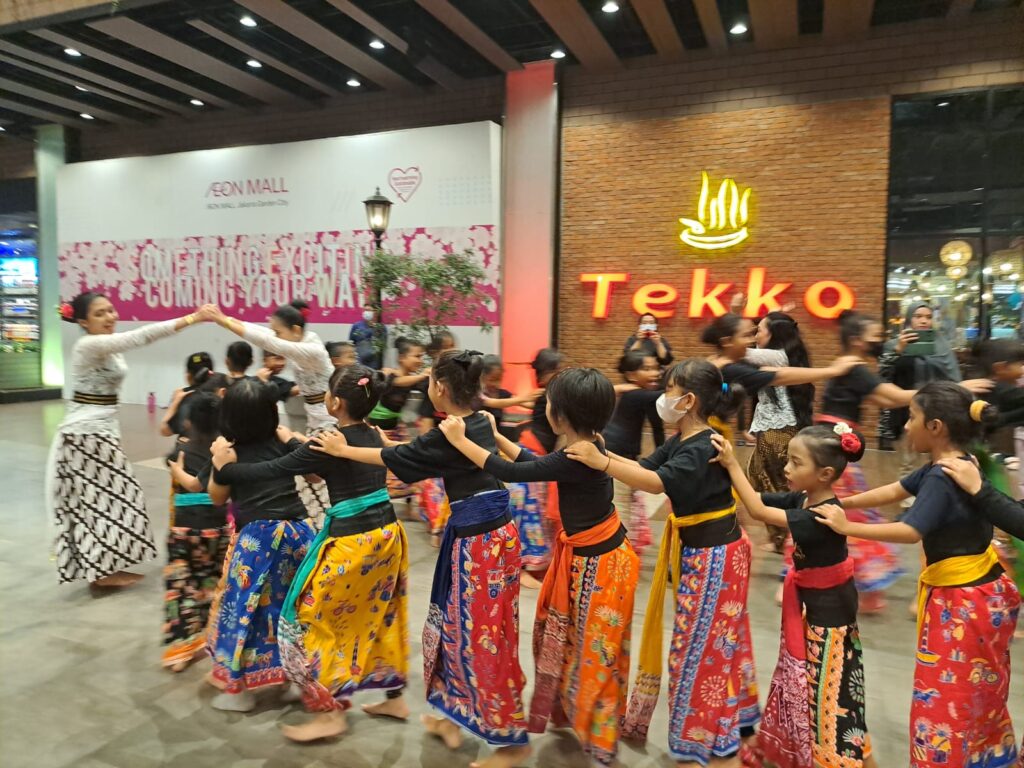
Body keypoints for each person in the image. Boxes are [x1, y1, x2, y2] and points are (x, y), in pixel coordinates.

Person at [311, 350, 529, 768]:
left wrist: (343, 449)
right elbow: (415, 452)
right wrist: (384, 443)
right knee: (455, 630)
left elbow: (396, 459)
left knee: (483, 640)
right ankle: (452, 716)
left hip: (480, 544)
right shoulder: (477, 421)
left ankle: (511, 743)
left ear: (440, 388)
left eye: (429, 380)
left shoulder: (450, 431)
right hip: (488, 536)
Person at [440, 368, 639, 767]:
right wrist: (496, 437)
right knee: (579, 645)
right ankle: (579, 719)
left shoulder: (576, 455)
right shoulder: (590, 444)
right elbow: (536, 464)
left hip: (600, 565)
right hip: (598, 555)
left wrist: (462, 442)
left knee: (594, 651)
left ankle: (601, 738)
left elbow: (515, 473)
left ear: (558, 415)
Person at [815, 381, 1020, 768]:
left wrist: (846, 526)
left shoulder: (944, 475)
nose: (906, 425)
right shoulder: (957, 463)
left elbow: (911, 531)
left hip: (964, 604)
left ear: (936, 427)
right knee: (978, 693)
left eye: (912, 417)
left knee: (947, 701)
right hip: (980, 593)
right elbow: (894, 490)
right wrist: (838, 502)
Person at [567, 359, 759, 768]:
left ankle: (708, 744)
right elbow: (644, 468)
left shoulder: (702, 446)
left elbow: (656, 484)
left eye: (669, 389)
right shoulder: (684, 439)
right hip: (705, 553)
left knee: (698, 652)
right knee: (712, 645)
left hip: (715, 557)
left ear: (688, 400)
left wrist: (601, 462)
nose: (662, 396)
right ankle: (726, 732)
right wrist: (601, 453)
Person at [212, 366, 409, 740]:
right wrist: (291, 439)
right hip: (388, 535)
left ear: (334, 402)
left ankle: (329, 711)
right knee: (381, 613)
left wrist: (225, 469)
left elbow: (273, 469)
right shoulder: (374, 433)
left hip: (352, 542)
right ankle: (394, 697)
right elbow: (314, 471)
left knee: (309, 621)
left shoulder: (329, 442)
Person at [714, 426, 878, 768]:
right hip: (816, 609)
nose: (786, 468)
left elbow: (759, 512)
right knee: (815, 686)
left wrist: (731, 464)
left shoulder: (821, 515)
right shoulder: (804, 498)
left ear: (825, 474)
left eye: (796, 462)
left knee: (830, 690)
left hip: (830, 619)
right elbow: (758, 498)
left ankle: (835, 755)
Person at [47, 292, 213, 587]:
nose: (109, 317)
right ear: (83, 321)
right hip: (86, 434)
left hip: (101, 431)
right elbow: (141, 336)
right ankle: (102, 573)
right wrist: (192, 318)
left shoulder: (107, 344)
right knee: (105, 500)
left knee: (115, 498)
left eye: (110, 310)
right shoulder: (89, 345)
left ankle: (104, 568)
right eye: (99, 313)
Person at [205, 379, 316, 712]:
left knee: (245, 611)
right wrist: (290, 437)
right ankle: (297, 681)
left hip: (258, 542)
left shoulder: (229, 453)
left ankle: (239, 692)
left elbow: (217, 497)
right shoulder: (282, 444)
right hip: (298, 533)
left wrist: (219, 465)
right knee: (294, 609)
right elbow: (314, 472)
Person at [208, 300, 334, 518]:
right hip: (316, 422)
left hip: (328, 424)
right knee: (312, 489)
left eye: (278, 332)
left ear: (296, 330)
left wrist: (222, 321)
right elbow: (262, 333)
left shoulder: (311, 349)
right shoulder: (301, 342)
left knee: (321, 491)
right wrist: (225, 318)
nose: (274, 337)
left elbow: (267, 340)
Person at [163, 392, 229, 673]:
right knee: (213, 584)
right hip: (218, 528)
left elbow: (175, 472)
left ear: (189, 422)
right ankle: (212, 638)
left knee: (181, 588)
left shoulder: (179, 451)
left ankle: (181, 650)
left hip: (184, 531)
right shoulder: (225, 452)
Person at [878, 302, 961, 506]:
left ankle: (929, 499)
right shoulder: (894, 344)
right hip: (905, 411)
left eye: (928, 317)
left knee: (936, 457)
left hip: (936, 410)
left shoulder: (942, 345)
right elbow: (882, 377)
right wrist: (898, 350)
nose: (924, 320)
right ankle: (908, 503)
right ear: (908, 319)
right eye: (918, 316)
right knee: (908, 459)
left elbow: (954, 377)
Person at [746, 312, 815, 553]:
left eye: (759, 330)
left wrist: (734, 317)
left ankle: (784, 537)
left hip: (778, 431)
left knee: (775, 484)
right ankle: (782, 536)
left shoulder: (777, 356)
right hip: (774, 428)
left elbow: (738, 353)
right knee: (759, 476)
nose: (755, 335)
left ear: (773, 334)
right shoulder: (780, 355)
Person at [603, 351, 663, 556]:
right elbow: (665, 396)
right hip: (615, 455)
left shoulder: (644, 395)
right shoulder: (636, 394)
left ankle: (621, 551)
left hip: (624, 456)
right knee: (620, 508)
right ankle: (617, 555)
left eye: (656, 368)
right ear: (631, 375)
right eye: (647, 369)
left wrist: (664, 459)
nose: (655, 373)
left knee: (626, 506)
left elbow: (658, 428)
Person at [515, 348, 566, 586]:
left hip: (539, 455)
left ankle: (535, 565)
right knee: (529, 514)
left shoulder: (552, 395)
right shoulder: (550, 396)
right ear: (547, 373)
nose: (562, 374)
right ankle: (521, 568)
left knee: (538, 515)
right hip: (531, 455)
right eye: (559, 370)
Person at [368, 337, 429, 520]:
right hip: (379, 428)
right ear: (402, 358)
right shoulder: (391, 375)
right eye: (416, 356)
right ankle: (378, 508)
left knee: (410, 460)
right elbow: (398, 382)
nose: (419, 360)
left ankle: (410, 507)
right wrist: (423, 375)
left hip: (396, 426)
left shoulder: (413, 379)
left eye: (422, 356)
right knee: (380, 468)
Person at [160, 351, 214, 437]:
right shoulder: (222, 391)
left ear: (188, 375)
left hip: (192, 445)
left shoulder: (185, 397)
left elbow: (165, 430)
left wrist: (174, 403)